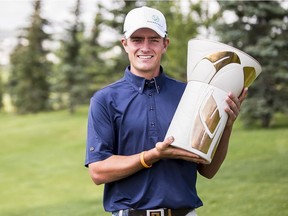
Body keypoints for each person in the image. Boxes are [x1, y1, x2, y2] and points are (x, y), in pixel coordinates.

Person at [85, 6, 248, 216]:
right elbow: (98, 172)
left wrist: (227, 126)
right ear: (125, 44)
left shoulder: (189, 94)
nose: (145, 47)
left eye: (153, 39)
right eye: (137, 39)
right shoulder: (105, 100)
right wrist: (152, 155)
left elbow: (208, 170)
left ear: (165, 44)